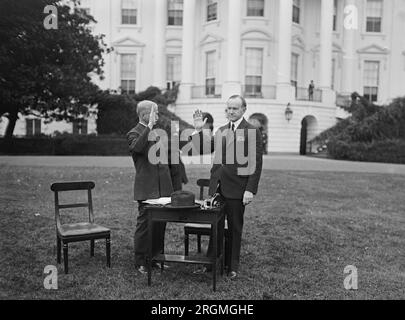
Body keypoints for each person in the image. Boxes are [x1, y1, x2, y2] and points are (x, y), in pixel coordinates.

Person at [190, 95, 263, 279]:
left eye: (235, 108)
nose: (230, 111)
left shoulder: (251, 131)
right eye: (228, 108)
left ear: (243, 110)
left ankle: (232, 266)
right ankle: (210, 264)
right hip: (217, 188)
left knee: (234, 228)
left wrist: (250, 190)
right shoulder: (221, 130)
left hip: (238, 189)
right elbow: (204, 149)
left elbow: (256, 163)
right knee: (215, 227)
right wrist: (199, 131)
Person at [127, 100, 173, 274]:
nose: (158, 116)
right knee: (145, 227)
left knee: (160, 225)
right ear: (145, 114)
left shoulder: (157, 132)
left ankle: (156, 258)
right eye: (156, 113)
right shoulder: (134, 132)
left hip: (163, 188)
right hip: (147, 188)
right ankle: (141, 261)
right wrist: (149, 128)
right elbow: (137, 148)